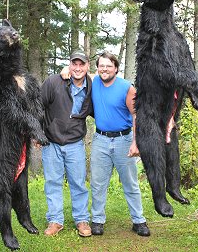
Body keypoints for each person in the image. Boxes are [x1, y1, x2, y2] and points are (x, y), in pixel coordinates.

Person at [90, 51, 150, 237]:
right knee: (98, 184)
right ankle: (97, 220)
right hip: (100, 140)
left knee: (130, 184)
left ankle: (138, 220)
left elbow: (136, 115)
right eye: (102, 66)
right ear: (98, 68)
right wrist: (64, 69)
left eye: (109, 66)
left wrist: (136, 143)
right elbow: (75, 71)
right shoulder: (94, 82)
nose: (105, 69)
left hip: (124, 140)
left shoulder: (126, 87)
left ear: (116, 68)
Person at [41, 51, 93, 237]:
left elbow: (109, 79)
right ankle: (55, 220)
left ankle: (81, 219)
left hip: (75, 143)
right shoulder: (53, 82)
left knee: (78, 183)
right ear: (69, 65)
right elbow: (38, 107)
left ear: (88, 66)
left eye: (82, 64)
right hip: (51, 142)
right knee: (53, 182)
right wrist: (37, 134)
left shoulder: (93, 87)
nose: (77, 68)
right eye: (74, 64)